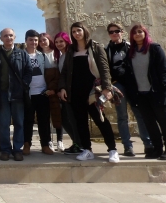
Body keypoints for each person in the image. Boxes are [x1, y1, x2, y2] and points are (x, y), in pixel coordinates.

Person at [58, 22, 120, 163]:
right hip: (75, 91)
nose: (76, 33)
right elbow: (65, 72)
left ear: (84, 31)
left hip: (93, 91)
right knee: (81, 122)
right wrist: (62, 88)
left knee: (100, 120)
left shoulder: (96, 47)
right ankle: (87, 149)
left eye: (78, 30)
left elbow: (104, 69)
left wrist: (107, 88)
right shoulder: (71, 50)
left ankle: (112, 149)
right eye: (73, 32)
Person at [126, 24, 166, 160]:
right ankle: (157, 149)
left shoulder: (154, 49)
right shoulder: (131, 52)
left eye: (140, 31)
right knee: (150, 123)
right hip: (141, 94)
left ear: (145, 33)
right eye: (134, 33)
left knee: (163, 121)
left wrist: (164, 89)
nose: (137, 34)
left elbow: (163, 70)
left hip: (157, 92)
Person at [105, 23, 153, 157]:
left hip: (133, 85)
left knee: (140, 114)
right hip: (117, 84)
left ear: (122, 32)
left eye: (117, 31)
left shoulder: (130, 47)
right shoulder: (107, 49)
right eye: (111, 32)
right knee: (122, 116)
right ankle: (127, 146)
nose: (114, 33)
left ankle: (148, 143)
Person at [0, 28, 32, 161]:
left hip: (18, 94)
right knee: (3, 123)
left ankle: (17, 149)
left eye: (11, 35)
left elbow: (29, 71)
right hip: (1, 94)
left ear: (15, 37)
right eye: (5, 36)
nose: (8, 38)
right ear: (1, 38)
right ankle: (5, 149)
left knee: (19, 123)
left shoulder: (22, 54)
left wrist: (24, 84)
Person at [22, 30, 54, 155]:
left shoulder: (42, 55)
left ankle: (45, 144)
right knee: (28, 120)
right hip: (28, 93)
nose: (34, 42)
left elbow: (49, 72)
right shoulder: (21, 55)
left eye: (36, 40)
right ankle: (27, 144)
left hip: (42, 92)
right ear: (26, 40)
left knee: (44, 120)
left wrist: (51, 87)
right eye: (31, 40)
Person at [53, 32, 82, 155]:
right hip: (65, 93)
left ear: (66, 41)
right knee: (65, 119)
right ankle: (77, 142)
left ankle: (79, 144)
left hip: (73, 92)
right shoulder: (61, 56)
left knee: (73, 119)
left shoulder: (71, 54)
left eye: (61, 41)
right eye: (57, 42)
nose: (59, 44)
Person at [38, 32, 64, 152]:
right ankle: (48, 141)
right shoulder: (38, 55)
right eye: (40, 40)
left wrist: (54, 88)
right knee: (45, 116)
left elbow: (59, 72)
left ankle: (60, 140)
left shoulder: (57, 53)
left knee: (57, 114)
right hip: (43, 88)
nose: (43, 42)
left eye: (45, 39)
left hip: (55, 87)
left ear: (49, 40)